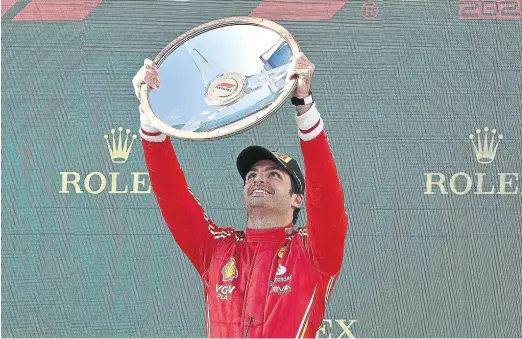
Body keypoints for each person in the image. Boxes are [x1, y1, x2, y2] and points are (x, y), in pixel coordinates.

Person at [132, 52, 348, 338]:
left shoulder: (312, 252)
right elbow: (173, 197)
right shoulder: (216, 248)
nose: (259, 178)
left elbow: (327, 197)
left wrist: (304, 106)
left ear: (297, 198)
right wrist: (151, 115)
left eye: (274, 174)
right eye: (252, 175)